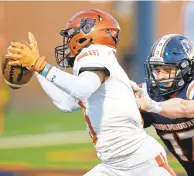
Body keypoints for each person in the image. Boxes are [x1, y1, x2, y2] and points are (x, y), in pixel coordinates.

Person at [4, 9, 176, 176]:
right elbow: (66, 102)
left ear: (87, 35)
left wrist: (41, 67)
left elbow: (81, 89)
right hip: (114, 166)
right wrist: (37, 69)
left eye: (72, 35)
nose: (69, 41)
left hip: (141, 165)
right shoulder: (101, 60)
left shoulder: (94, 55)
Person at [131, 34, 194, 176]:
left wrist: (152, 106)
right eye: (157, 69)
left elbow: (185, 108)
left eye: (167, 70)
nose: (160, 76)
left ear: (186, 69)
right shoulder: (147, 93)